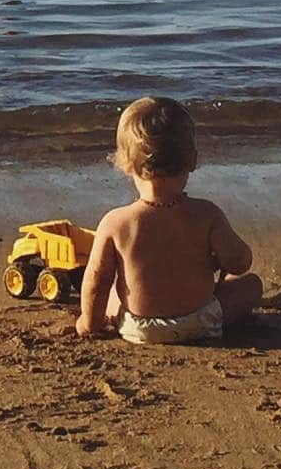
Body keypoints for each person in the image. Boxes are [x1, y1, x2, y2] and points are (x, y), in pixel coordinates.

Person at [75, 96, 262, 344]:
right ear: (192, 160)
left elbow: (96, 279)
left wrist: (88, 322)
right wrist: (218, 263)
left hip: (138, 327)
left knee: (110, 291)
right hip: (200, 321)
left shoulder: (115, 223)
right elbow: (240, 262)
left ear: (126, 165)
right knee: (251, 286)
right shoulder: (206, 214)